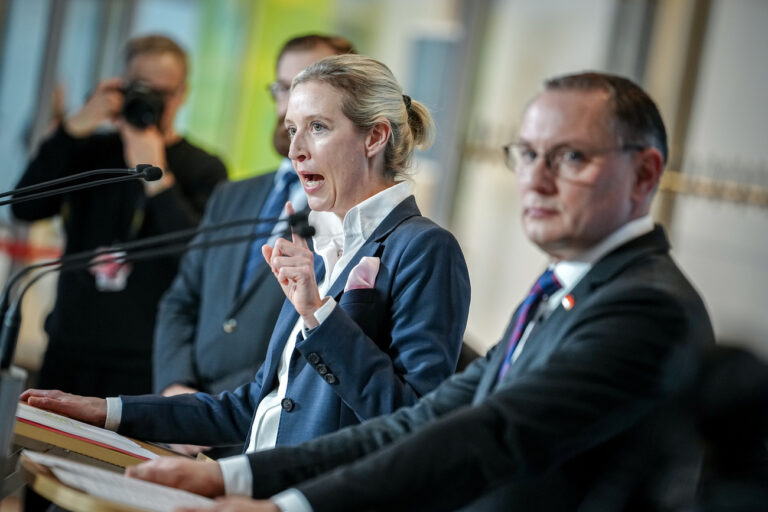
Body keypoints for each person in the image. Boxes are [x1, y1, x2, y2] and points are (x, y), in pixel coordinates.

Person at [117, 71, 714, 511]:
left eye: (571, 156)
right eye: (527, 153)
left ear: (644, 174)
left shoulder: (645, 304)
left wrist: (285, 505)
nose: (536, 177)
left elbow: (485, 435)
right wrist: (235, 478)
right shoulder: (561, 288)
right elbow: (422, 423)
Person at [22, 54, 471, 481]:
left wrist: (320, 313)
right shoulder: (323, 244)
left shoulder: (425, 248)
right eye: (292, 129)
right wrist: (108, 410)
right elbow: (253, 405)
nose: (295, 150)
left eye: (317, 127)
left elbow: (411, 423)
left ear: (374, 137)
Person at [11, 34, 227, 398]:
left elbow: (200, 257)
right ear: (121, 86)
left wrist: (157, 176)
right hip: (69, 346)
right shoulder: (91, 151)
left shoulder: (204, 168)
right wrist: (74, 128)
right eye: (142, 89)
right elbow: (25, 207)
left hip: (147, 361)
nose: (153, 102)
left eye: (164, 93)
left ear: (182, 94)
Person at [154, 35, 355, 405]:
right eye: (283, 88)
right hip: (180, 414)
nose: (289, 105)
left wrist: (209, 414)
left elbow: (317, 340)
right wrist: (176, 392)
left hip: (259, 427)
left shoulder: (349, 217)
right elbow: (181, 300)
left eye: (308, 88)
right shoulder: (232, 196)